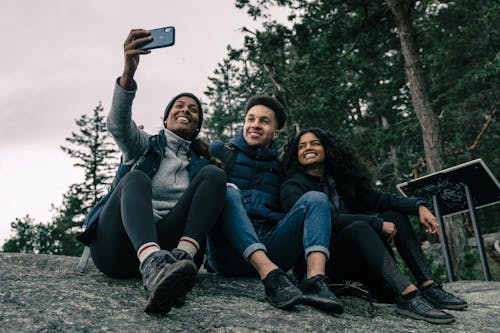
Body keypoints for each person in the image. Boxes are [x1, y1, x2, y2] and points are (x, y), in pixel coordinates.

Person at [77, 29, 227, 315]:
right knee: (136, 176)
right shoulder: (145, 145)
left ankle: (180, 258)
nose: (186, 110)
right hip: (119, 249)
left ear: (197, 126)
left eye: (193, 109)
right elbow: (118, 125)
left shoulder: (202, 162)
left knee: (215, 176)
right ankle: (151, 263)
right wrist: (128, 72)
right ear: (167, 118)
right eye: (179, 106)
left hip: (173, 251)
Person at [280, 128, 468, 324]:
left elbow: (380, 199)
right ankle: (409, 297)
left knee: (393, 215)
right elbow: (326, 221)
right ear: (296, 155)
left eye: (315, 143)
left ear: (327, 149)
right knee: (360, 227)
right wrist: (376, 224)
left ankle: (428, 286)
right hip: (324, 265)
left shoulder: (342, 181)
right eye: (302, 146)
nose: (308, 148)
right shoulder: (292, 187)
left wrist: (418, 206)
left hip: (356, 257)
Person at [206, 96, 344, 314]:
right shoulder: (221, 153)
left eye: (264, 121)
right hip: (228, 253)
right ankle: (269, 276)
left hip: (273, 249)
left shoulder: (282, 170)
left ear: (275, 132)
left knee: (316, 199)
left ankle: (315, 281)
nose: (255, 125)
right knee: (228, 190)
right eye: (250, 119)